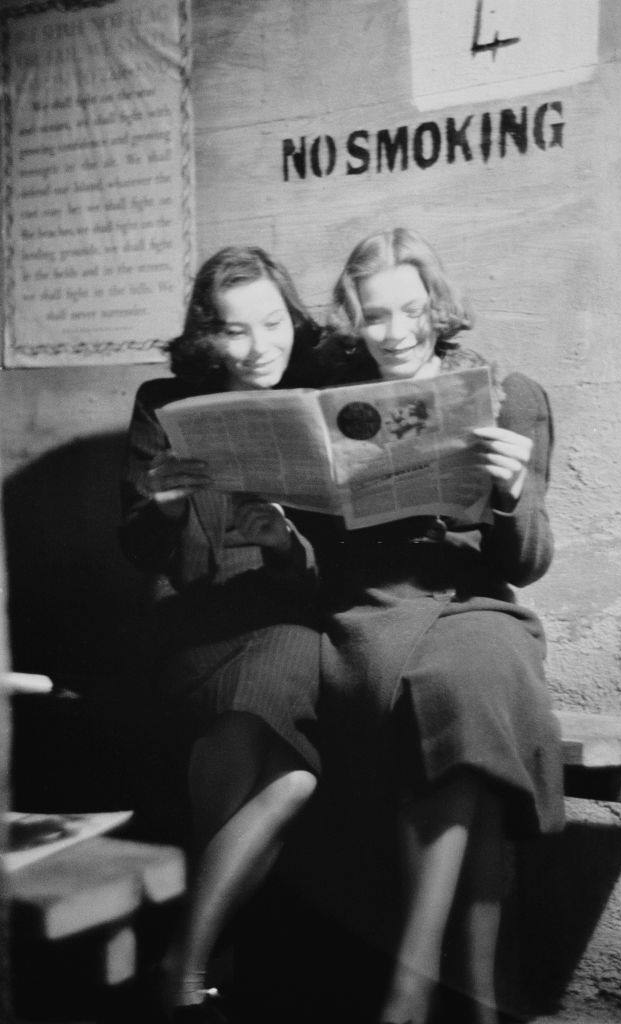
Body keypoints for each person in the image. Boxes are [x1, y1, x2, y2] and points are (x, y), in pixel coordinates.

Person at [296, 228, 565, 1024]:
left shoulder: (509, 395)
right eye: (376, 316)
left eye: (412, 310)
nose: (398, 332)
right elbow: (319, 555)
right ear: (355, 321)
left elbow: (526, 563)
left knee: (473, 670)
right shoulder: (333, 404)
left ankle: (410, 990)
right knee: (471, 700)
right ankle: (475, 995)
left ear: (438, 307)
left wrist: (511, 494)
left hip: (477, 606)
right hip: (371, 618)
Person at [119, 246, 324, 1023]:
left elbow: (327, 571)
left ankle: (186, 965)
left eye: (272, 323)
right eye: (236, 332)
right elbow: (136, 550)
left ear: (290, 318)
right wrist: (165, 508)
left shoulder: (318, 399)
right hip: (193, 628)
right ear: (210, 338)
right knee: (282, 768)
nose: (259, 347)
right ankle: (206, 963)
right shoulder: (165, 401)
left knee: (283, 737)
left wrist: (281, 544)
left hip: (288, 616)